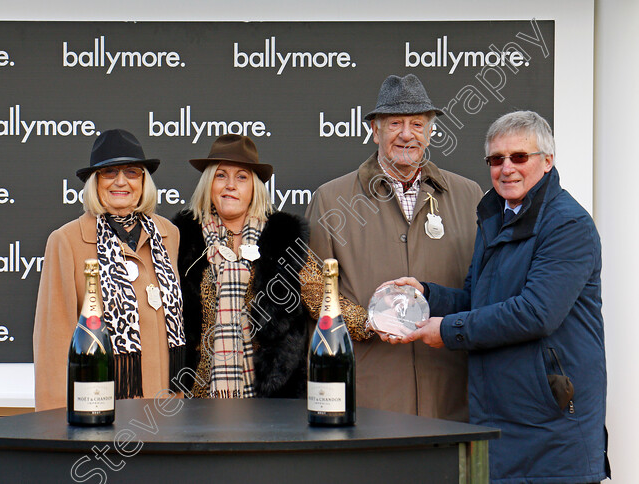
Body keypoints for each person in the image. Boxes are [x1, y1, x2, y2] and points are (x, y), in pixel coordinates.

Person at [387, 111, 608, 483]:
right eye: (496, 159)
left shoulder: (568, 224)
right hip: (500, 422)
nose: (507, 168)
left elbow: (535, 313)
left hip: (552, 431)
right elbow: (478, 300)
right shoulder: (495, 217)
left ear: (547, 161)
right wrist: (426, 295)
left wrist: (447, 331)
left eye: (519, 157)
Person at [305, 74, 482, 422]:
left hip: (450, 397)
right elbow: (312, 289)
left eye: (417, 123)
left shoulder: (470, 196)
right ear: (375, 130)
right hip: (369, 394)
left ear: (430, 132)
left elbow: (486, 291)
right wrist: (370, 322)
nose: (406, 134)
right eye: (395, 123)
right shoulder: (331, 199)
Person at [172, 134, 368, 398]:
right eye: (221, 176)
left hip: (270, 395)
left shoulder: (281, 237)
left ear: (254, 187)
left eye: (241, 177)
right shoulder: (182, 238)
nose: (230, 185)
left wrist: (370, 323)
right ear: (208, 184)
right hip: (197, 394)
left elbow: (320, 295)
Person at [33, 129, 184, 410]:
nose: (121, 181)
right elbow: (54, 343)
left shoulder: (168, 235)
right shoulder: (66, 241)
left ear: (143, 181)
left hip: (167, 410)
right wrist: (53, 425)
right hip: (103, 410)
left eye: (131, 172)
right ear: (94, 182)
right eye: (109, 172)